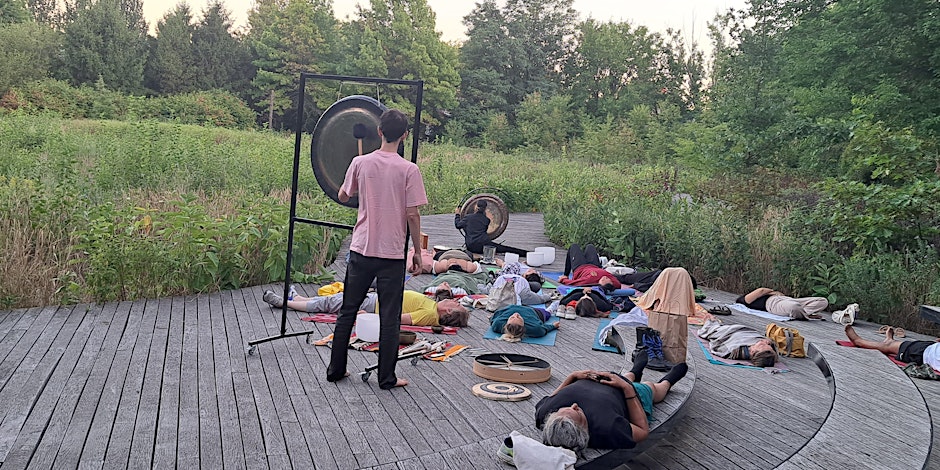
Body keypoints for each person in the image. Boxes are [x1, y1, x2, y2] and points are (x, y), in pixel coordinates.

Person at [329, 109, 427, 390]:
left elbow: (343, 195)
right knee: (389, 317)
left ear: (380, 131)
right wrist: (418, 252)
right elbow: (413, 214)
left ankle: (336, 370)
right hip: (392, 255)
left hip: (361, 249)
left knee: (348, 310)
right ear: (404, 136)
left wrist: (360, 184)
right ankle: (387, 377)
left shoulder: (360, 162)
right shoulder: (409, 169)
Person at [535, 353, 689, 451]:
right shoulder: (608, 428)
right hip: (627, 396)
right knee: (652, 388)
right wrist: (627, 390)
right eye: (576, 412)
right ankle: (669, 380)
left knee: (624, 376)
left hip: (604, 381)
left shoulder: (546, 414)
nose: (574, 405)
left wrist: (572, 377)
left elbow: (551, 398)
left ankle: (635, 370)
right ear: (584, 428)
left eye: (562, 409)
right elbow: (642, 432)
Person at [262, 289, 469, 327]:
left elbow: (398, 319)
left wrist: (368, 316)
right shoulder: (433, 307)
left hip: (373, 305)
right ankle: (298, 298)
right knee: (334, 300)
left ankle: (285, 303)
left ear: (449, 312)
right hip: (377, 299)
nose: (454, 300)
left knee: (329, 304)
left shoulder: (429, 314)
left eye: (455, 304)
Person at [634, 267, 697, 364]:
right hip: (677, 309)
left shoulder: (666, 274)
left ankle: (656, 355)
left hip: (664, 310)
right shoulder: (681, 275)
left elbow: (653, 293)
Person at [844, 324, 940, 370]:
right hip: (931, 347)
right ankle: (890, 341)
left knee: (890, 347)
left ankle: (859, 342)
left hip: (923, 354)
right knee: (906, 345)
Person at [697, 314, 778, 367]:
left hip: (728, 332)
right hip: (740, 332)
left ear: (752, 352)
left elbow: (720, 337)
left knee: (710, 322)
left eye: (762, 345)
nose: (764, 343)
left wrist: (710, 323)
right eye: (768, 345)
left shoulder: (733, 349)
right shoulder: (759, 351)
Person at [454, 200, 527, 256]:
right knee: (505, 249)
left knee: (501, 248)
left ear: (476, 207)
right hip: (484, 247)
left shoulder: (468, 217)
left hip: (471, 247)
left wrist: (457, 214)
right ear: (485, 208)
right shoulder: (486, 220)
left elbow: (458, 225)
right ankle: (526, 253)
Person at [736, 287, 828, 320]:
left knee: (823, 301)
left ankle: (804, 313)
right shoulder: (745, 300)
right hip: (773, 304)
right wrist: (773, 291)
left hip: (785, 299)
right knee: (794, 307)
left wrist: (776, 294)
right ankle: (805, 315)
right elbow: (761, 290)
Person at [490, 305, 560, 342]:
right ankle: (551, 308)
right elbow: (544, 328)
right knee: (547, 313)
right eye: (519, 317)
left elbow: (496, 315)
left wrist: (491, 317)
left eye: (512, 317)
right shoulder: (535, 329)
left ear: (506, 324)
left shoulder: (498, 324)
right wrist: (553, 326)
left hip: (514, 305)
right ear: (524, 326)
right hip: (535, 311)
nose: (516, 314)